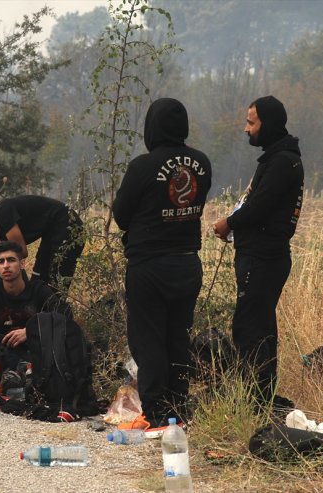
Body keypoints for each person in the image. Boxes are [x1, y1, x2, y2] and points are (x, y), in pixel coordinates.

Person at [113, 98, 212, 431]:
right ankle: (177, 411)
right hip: (187, 263)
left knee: (149, 339)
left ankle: (156, 414)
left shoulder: (142, 166)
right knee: (178, 338)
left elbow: (121, 214)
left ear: (151, 126)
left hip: (149, 265)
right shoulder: (202, 162)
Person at [213, 96, 304, 412]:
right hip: (263, 256)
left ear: (269, 124)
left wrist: (229, 223)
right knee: (260, 327)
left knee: (250, 329)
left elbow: (261, 205)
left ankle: (252, 401)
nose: (246, 129)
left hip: (264, 258)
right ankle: (260, 398)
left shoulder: (282, 162)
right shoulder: (279, 158)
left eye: (251, 122)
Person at [0, 195, 84, 292]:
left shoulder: (3, 211)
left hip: (68, 224)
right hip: (50, 231)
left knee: (55, 281)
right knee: (38, 280)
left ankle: (55, 315)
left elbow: (20, 251)